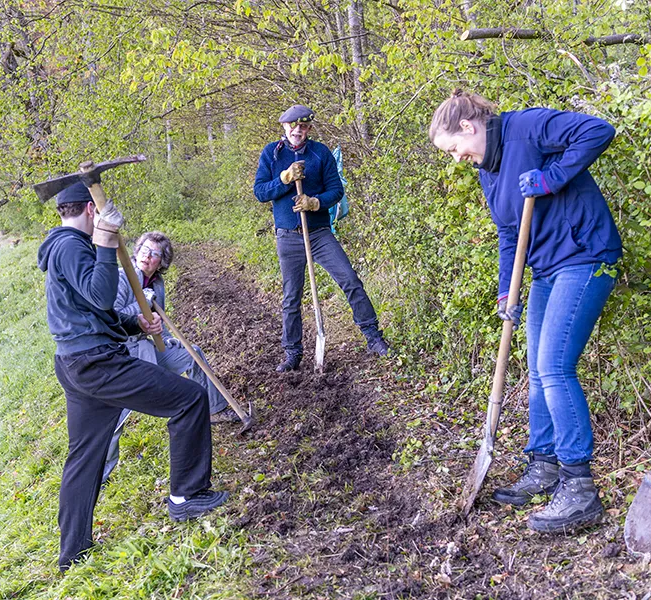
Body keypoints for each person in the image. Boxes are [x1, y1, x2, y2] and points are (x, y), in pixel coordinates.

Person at [429, 90, 622, 533]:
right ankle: (544, 465)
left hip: (586, 255)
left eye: (454, 148)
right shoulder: (488, 170)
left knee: (555, 367)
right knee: (537, 370)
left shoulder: (527, 127)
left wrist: (551, 177)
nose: (457, 158)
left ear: (468, 127)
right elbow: (508, 231)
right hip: (546, 269)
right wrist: (505, 291)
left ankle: (579, 487)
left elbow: (598, 130)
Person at [36, 182, 228, 571]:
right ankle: (185, 497)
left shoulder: (61, 246)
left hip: (77, 361)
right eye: (99, 218)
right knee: (189, 399)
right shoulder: (73, 246)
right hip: (98, 364)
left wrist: (132, 323)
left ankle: (72, 552)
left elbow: (91, 310)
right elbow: (101, 295)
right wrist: (107, 240)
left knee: (84, 456)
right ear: (91, 210)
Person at [253, 104, 390, 372]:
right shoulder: (271, 153)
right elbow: (260, 192)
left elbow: (336, 191)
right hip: (288, 237)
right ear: (285, 127)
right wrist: (284, 178)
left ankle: (373, 337)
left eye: (303, 126)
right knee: (291, 297)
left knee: (350, 280)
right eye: (293, 126)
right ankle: (292, 353)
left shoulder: (320, 153)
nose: (297, 130)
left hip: (318, 234)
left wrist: (315, 203)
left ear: (309, 129)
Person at [101, 231, 238, 486]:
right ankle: (99, 474)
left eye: (155, 254)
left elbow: (157, 322)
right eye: (144, 250)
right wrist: (142, 304)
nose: (147, 256)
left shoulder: (158, 285)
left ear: (162, 262)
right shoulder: (122, 278)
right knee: (115, 415)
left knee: (192, 354)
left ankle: (216, 409)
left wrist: (164, 337)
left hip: (147, 349)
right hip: (124, 356)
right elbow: (112, 318)